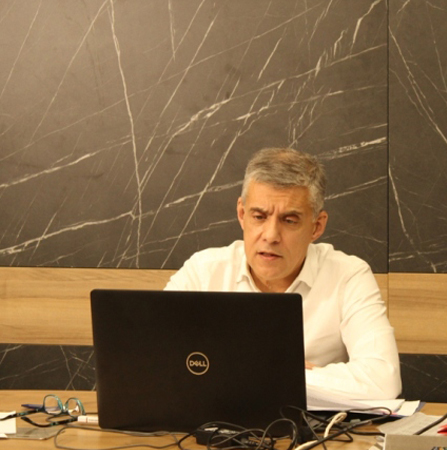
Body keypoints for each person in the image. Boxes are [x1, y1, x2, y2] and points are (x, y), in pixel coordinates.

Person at [165, 147, 401, 400]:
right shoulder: (203, 271)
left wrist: (265, 375)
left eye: (289, 220)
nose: (271, 236)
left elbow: (383, 381)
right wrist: (291, 374)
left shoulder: (348, 275)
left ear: (316, 226)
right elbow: (152, 362)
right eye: (259, 216)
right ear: (242, 214)